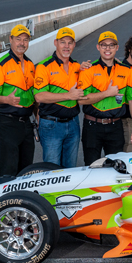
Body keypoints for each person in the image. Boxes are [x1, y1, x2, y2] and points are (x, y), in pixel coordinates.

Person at [78, 31, 132, 166]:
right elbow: (81, 100)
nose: (107, 48)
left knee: (116, 166)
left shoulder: (126, 70)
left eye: (111, 45)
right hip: (92, 126)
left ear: (117, 47)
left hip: (115, 126)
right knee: (91, 166)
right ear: (98, 47)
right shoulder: (88, 70)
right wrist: (107, 93)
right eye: (104, 45)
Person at [0, 24, 36, 178]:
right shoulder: (1, 65)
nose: (22, 43)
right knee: (8, 169)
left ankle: (21, 200)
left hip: (26, 123)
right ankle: (6, 201)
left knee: (26, 170)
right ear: (11, 40)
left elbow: (33, 96)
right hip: (6, 123)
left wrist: (38, 116)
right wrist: (6, 99)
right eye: (18, 39)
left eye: (25, 40)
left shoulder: (30, 65)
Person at [33, 27, 85, 168]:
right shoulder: (44, 66)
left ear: (74, 45)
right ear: (55, 43)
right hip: (51, 125)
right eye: (63, 42)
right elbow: (39, 96)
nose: (66, 46)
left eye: (70, 43)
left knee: (70, 169)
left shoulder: (77, 66)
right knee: (52, 169)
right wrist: (68, 95)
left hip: (73, 123)